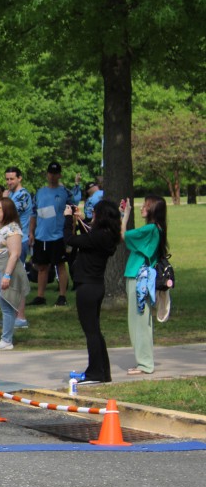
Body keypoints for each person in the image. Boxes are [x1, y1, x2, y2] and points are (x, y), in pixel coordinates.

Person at [66, 200, 121, 384]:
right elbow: (88, 238)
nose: (92, 216)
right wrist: (80, 221)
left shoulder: (98, 236)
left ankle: (95, 372)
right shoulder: (106, 235)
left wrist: (68, 219)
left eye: (95, 213)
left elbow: (70, 240)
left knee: (91, 331)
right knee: (95, 330)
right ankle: (103, 371)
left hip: (87, 287)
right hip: (96, 285)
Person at [122, 196, 168, 375]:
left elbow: (123, 235)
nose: (142, 208)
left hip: (139, 279)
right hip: (137, 277)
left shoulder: (150, 229)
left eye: (146, 206)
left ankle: (145, 364)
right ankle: (143, 362)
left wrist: (126, 214)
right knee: (137, 321)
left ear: (153, 210)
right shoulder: (155, 229)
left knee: (140, 322)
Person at [30, 162, 78, 307]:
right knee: (42, 267)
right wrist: (31, 232)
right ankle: (40, 296)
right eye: (50, 173)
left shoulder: (65, 193)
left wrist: (71, 232)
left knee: (60, 265)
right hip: (41, 235)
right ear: (47, 174)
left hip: (58, 235)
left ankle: (62, 296)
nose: (52, 176)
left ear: (60, 175)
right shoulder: (40, 192)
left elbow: (73, 213)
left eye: (55, 173)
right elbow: (34, 213)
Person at [0, 198, 29, 351]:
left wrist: (7, 275)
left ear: (7, 210)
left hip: (4, 269)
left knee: (6, 305)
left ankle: (7, 340)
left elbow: (15, 254)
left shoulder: (13, 228)